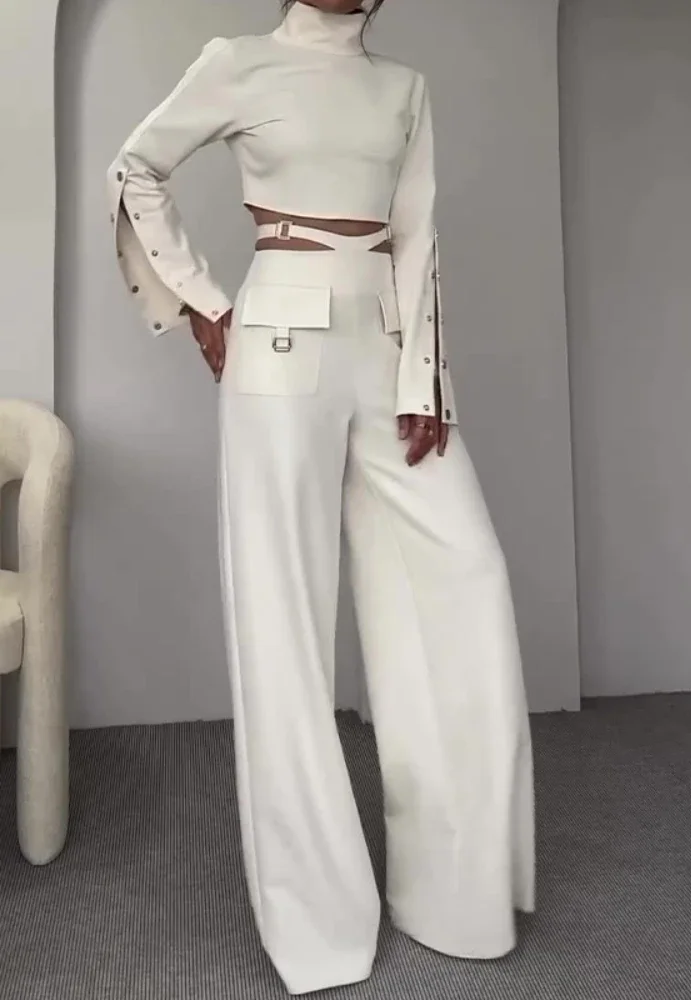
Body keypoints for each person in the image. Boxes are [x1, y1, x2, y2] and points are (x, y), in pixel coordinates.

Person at [106, 0, 535, 993]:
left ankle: (456, 896)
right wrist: (201, 301)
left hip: (386, 350)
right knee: (283, 624)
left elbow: (418, 237)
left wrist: (426, 380)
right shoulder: (240, 62)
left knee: (463, 581)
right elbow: (136, 167)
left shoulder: (403, 89)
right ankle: (319, 919)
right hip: (278, 343)